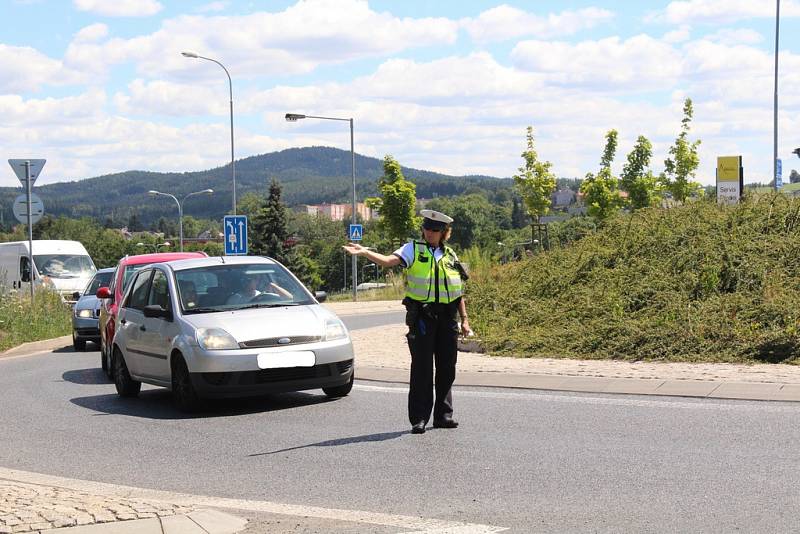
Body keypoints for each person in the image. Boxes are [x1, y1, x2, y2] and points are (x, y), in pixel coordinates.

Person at [343, 209, 473, 434]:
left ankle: (443, 415)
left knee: (447, 368)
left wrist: (465, 320)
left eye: (435, 229)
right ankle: (419, 418)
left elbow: (458, 291)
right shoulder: (412, 249)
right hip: (423, 317)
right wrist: (365, 252)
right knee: (422, 368)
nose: (430, 232)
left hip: (447, 318)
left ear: (444, 232)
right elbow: (387, 261)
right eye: (427, 228)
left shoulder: (451, 255)